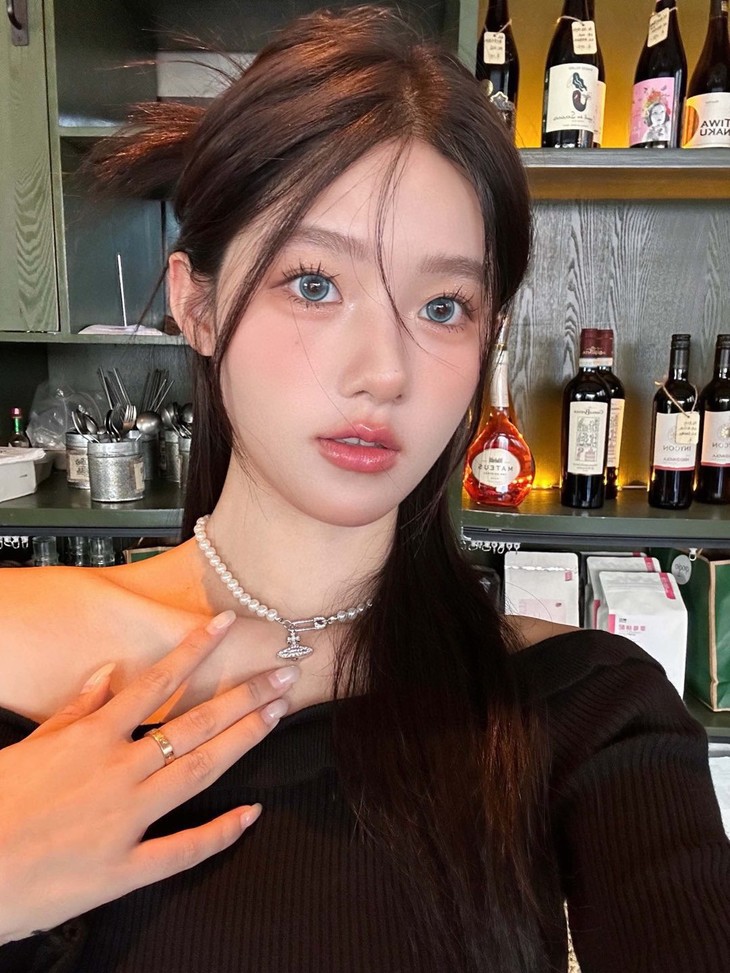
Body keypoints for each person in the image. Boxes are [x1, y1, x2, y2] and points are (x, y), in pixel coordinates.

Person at [0, 6, 728, 972]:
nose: (384, 370)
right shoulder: (16, 649)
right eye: (314, 283)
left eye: (443, 306)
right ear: (196, 303)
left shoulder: (583, 710)